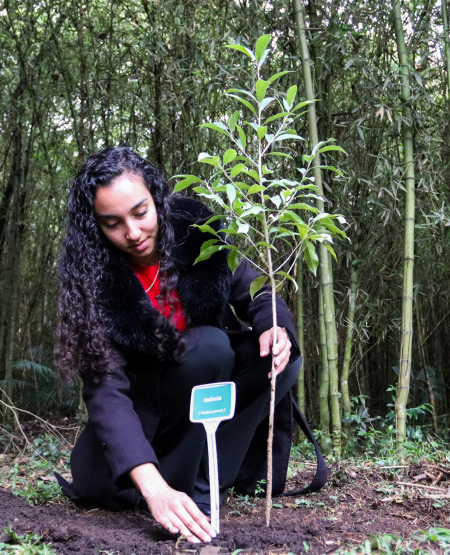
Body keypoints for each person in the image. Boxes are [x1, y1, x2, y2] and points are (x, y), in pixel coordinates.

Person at [54, 146, 301, 543]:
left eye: (140, 213)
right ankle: (168, 485)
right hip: (148, 427)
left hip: (202, 404)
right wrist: (154, 489)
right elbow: (106, 394)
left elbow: (255, 291)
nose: (132, 233)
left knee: (280, 359)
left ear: (157, 198)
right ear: (96, 226)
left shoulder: (196, 234)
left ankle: (207, 488)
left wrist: (276, 327)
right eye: (112, 223)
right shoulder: (93, 281)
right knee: (209, 347)